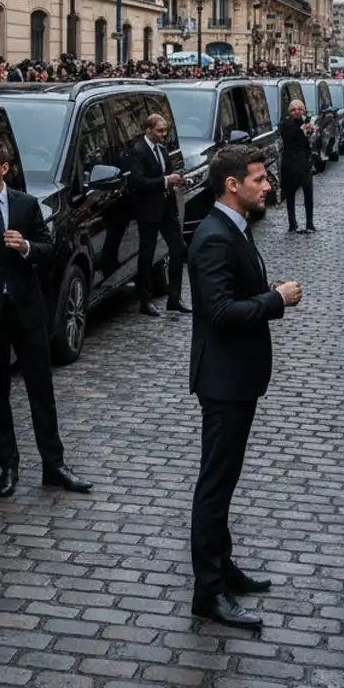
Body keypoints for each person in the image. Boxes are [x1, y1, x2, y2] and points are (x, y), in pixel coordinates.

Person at [188, 145, 302, 630]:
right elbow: (218, 312)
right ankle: (207, 591)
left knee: (226, 481)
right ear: (233, 185)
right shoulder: (215, 236)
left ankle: (224, 566)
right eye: (259, 179)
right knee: (214, 486)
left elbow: (235, 294)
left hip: (238, 377)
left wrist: (261, 291)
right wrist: (274, 300)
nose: (268, 185)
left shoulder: (234, 226)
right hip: (224, 379)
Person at [0, 137, 91, 499]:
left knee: (42, 389)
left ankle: (53, 465)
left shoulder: (25, 205)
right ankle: (7, 466)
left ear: (4, 168)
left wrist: (25, 247)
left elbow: (47, 249)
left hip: (27, 311)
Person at [128, 113, 188, 317]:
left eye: (165, 131)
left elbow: (166, 176)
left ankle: (174, 297)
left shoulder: (162, 150)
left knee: (178, 248)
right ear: (149, 130)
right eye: (160, 131)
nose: (164, 134)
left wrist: (175, 182)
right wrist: (165, 181)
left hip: (166, 208)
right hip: (148, 210)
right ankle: (145, 300)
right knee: (147, 254)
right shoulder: (138, 151)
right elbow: (138, 182)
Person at [278, 98, 315, 233]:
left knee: (308, 195)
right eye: (294, 110)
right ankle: (292, 223)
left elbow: (309, 139)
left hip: (305, 164)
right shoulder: (285, 124)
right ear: (289, 112)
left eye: (300, 109)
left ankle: (310, 223)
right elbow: (291, 136)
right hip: (290, 165)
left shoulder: (306, 123)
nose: (297, 112)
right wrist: (303, 128)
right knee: (290, 195)